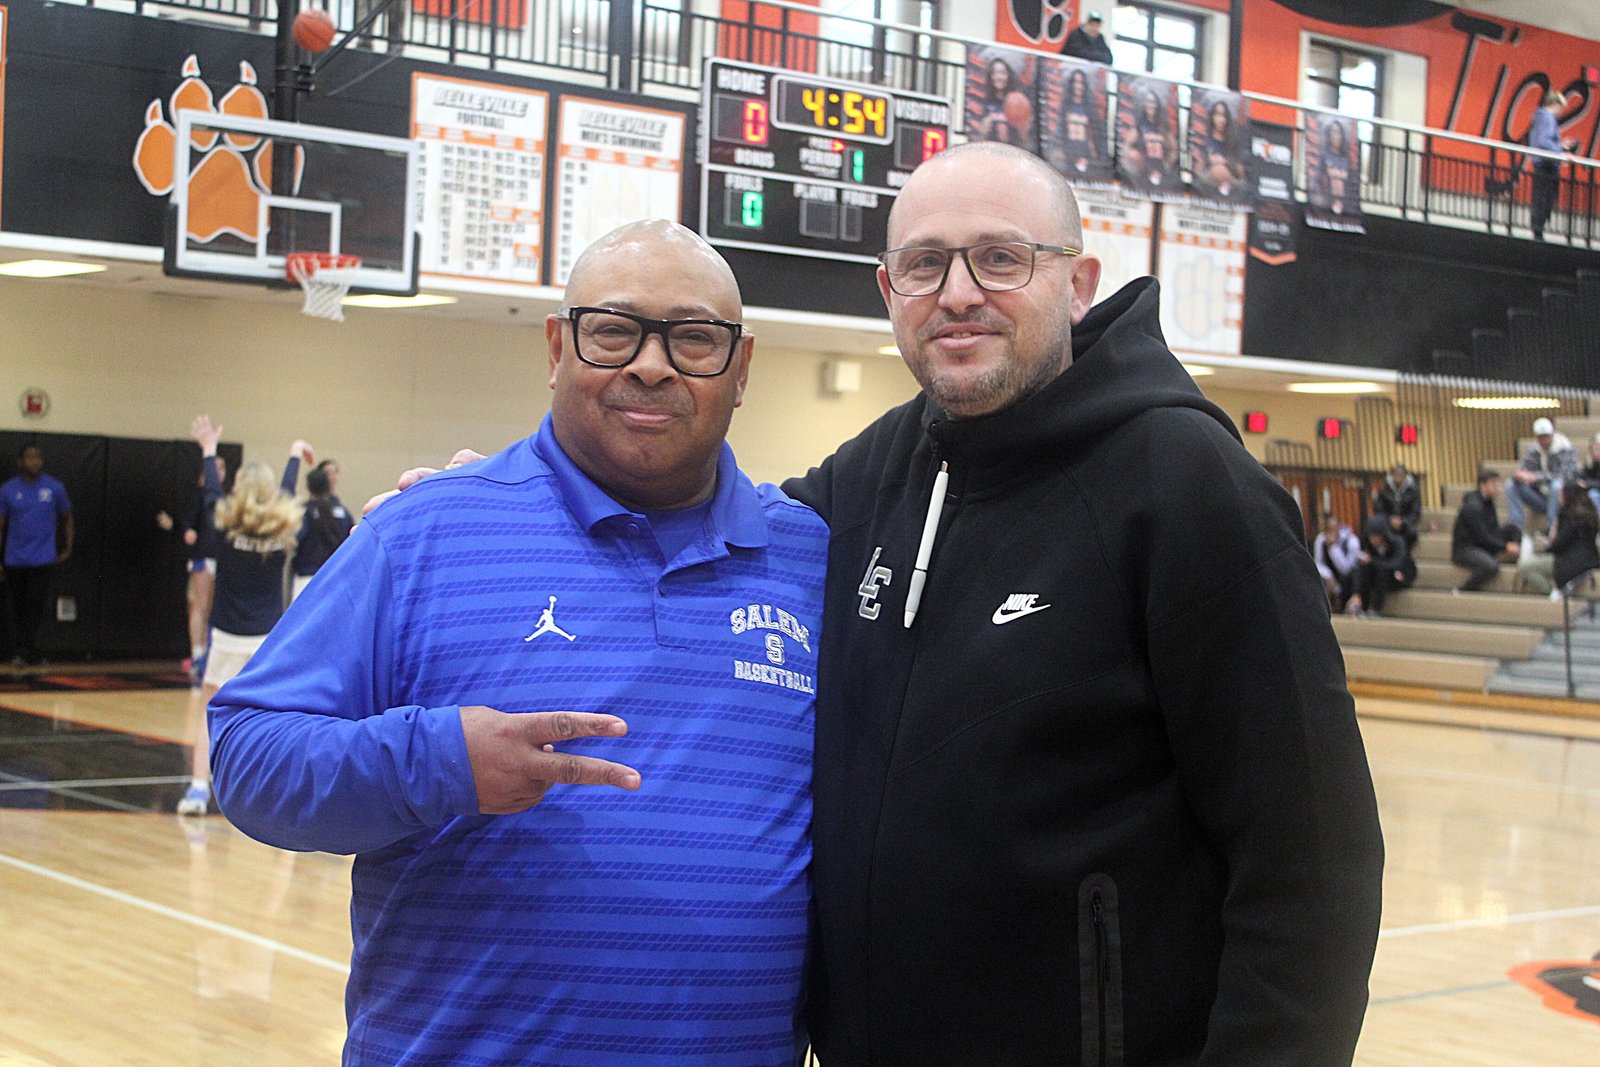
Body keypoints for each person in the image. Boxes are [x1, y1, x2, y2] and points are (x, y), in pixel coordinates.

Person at [385, 145, 1385, 1063]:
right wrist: (508, 503)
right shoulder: (883, 468)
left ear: (1077, 283)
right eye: (924, 265)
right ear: (888, 289)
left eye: (999, 258)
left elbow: (1313, 861)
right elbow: (697, 524)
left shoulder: (1186, 483)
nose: (958, 294)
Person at [209, 221, 828, 1064]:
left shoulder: (809, 558)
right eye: (614, 330)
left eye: (693, 338)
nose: (652, 363)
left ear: (742, 367)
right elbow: (248, 753)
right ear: (556, 346)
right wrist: (436, 761)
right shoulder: (424, 531)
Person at [177, 417, 309, 816]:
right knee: (274, 717)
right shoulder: (281, 530)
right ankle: (279, 791)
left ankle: (199, 790)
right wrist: (294, 456)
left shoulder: (223, 527)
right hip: (266, 639)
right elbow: (287, 492)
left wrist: (208, 449)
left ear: (237, 491)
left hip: (228, 637)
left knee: (209, 710)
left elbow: (210, 495)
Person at [0, 443, 74, 668]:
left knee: (35, 604)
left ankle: (25, 651)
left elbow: (67, 517)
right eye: (29, 458)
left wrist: (68, 546)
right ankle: (26, 650)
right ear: (20, 462)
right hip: (15, 559)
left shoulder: (54, 488)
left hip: (43, 558)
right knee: (19, 606)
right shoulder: (7, 490)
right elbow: (1, 525)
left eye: (38, 457)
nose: (34, 462)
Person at [157, 453, 228, 679]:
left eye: (222, 468)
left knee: (214, 609)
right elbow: (186, 519)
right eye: (213, 468)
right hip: (203, 558)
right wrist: (187, 530)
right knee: (200, 606)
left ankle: (211, 654)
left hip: (222, 559)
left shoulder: (226, 499)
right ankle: (198, 655)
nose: (218, 472)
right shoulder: (199, 496)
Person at [1517, 481, 1599, 599]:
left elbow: (1560, 543)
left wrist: (1544, 551)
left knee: (1524, 566)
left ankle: (1553, 591)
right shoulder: (1591, 513)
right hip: (1590, 559)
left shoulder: (1568, 514)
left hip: (1568, 560)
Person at [289, 462, 353, 600]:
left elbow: (295, 539)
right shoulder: (343, 512)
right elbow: (351, 541)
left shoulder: (303, 511)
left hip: (307, 578)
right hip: (335, 578)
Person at [1452, 468, 1520, 593]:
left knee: (1513, 529)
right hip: (1466, 548)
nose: (1498, 487)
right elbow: (1482, 537)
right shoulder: (1472, 507)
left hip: (1484, 542)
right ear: (1483, 485)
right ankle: (1464, 590)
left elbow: (1493, 530)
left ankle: (1515, 554)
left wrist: (1508, 544)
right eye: (1494, 483)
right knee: (1490, 566)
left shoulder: (1489, 501)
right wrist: (1506, 547)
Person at [1509, 416, 1577, 533]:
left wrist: (1536, 477)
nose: (1543, 440)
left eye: (1546, 436)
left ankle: (1550, 526)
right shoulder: (1533, 450)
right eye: (1540, 437)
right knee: (1511, 485)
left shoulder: (1565, 448)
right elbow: (1525, 470)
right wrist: (1521, 475)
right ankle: (1516, 528)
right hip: (1540, 495)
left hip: (1561, 497)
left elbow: (1565, 475)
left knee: (1556, 485)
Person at [1528, 90, 1576, 241]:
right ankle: (1538, 230)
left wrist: (1560, 145)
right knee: (1545, 198)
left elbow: (1543, 140)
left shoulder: (1539, 117)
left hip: (1541, 163)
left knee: (1541, 196)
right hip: (1546, 165)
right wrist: (1560, 154)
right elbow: (1544, 141)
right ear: (1555, 105)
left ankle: (1538, 228)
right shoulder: (1547, 118)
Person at [1347, 515, 1413, 617]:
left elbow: (1396, 563)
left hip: (1397, 576)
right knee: (1361, 570)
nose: (1371, 539)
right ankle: (1360, 604)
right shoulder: (1368, 545)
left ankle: (1376, 608)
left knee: (1382, 571)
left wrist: (1373, 561)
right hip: (1376, 576)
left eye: (1375, 536)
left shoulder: (1397, 543)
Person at [1191, 98, 1244, 198]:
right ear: (1212, 117)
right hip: (1207, 187)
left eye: (1224, 116)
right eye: (1218, 115)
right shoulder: (1204, 140)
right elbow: (1197, 169)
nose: (1221, 120)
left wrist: (1224, 162)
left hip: (1230, 188)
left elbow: (1240, 170)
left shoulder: (1232, 142)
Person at [1313, 513, 1361, 611]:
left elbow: (1345, 568)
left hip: (1346, 577)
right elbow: (1318, 563)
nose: (1331, 534)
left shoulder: (1351, 541)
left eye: (1334, 530)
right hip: (1329, 576)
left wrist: (1332, 548)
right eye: (1328, 530)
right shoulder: (1321, 540)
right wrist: (1329, 576)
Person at [1320, 118, 1356, 214]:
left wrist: (1336, 173)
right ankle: (1335, 203)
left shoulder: (1345, 157)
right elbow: (1323, 173)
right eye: (1334, 132)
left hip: (1344, 196)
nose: (1337, 136)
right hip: (1327, 193)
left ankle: (1339, 204)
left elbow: (1347, 175)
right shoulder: (1324, 154)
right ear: (1329, 135)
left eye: (1339, 133)